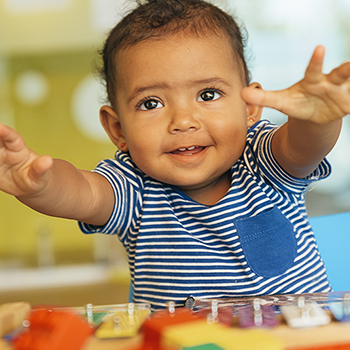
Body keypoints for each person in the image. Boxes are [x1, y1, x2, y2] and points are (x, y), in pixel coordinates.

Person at [0, 0, 350, 309]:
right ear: (118, 129)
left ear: (249, 107)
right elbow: (82, 192)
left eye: (208, 95)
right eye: (151, 103)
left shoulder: (262, 160)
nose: (183, 121)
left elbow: (303, 148)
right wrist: (38, 184)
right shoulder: (134, 188)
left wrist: (318, 119)